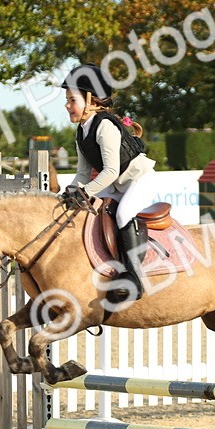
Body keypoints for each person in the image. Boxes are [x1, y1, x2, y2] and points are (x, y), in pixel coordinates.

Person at [59, 63, 156, 301]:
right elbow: (83, 173)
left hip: (140, 181)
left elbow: (111, 170)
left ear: (91, 100)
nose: (67, 105)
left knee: (123, 214)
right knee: (98, 213)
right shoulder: (81, 131)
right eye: (67, 100)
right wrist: (68, 193)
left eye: (72, 100)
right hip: (119, 186)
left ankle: (133, 279)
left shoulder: (105, 125)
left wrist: (84, 192)